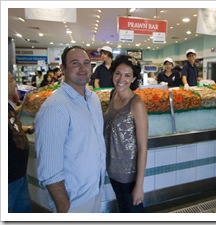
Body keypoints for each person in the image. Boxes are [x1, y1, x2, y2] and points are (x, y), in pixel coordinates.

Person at [35, 46, 106, 213]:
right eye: (75, 63)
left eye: (86, 63)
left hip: (95, 191)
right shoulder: (55, 108)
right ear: (63, 69)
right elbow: (50, 169)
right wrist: (63, 206)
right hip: (74, 202)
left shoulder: (93, 99)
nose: (83, 68)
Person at [104, 54, 148, 213]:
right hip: (112, 168)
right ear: (112, 74)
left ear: (133, 78)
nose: (121, 79)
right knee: (123, 209)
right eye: (118, 73)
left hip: (129, 175)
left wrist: (139, 185)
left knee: (134, 212)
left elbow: (143, 148)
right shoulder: (113, 94)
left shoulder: (136, 103)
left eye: (127, 75)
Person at [8, 71, 34, 213]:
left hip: (19, 173)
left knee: (23, 210)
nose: (15, 84)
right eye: (11, 80)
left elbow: (14, 127)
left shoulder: (8, 107)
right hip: (9, 177)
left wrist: (29, 128)